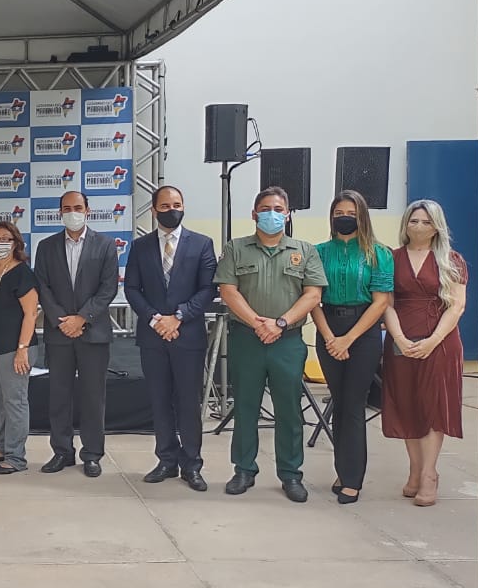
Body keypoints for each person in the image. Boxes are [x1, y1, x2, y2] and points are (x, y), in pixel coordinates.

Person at [214, 186, 327, 502]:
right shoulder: (236, 249)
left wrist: (279, 324)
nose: (272, 215)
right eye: (265, 209)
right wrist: (258, 323)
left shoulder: (305, 251)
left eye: (278, 209)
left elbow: (313, 295)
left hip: (287, 342)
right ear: (254, 214)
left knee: (289, 410)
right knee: (245, 406)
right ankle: (243, 470)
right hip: (246, 340)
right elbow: (228, 291)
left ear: (287, 214)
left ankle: (291, 474)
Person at [123, 185, 217, 491]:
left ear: (183, 207)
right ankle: (166, 459)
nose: (171, 210)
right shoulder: (140, 247)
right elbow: (132, 289)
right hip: (153, 337)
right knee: (159, 401)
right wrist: (155, 319)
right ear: (154, 210)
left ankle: (192, 464)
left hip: (187, 336)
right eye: (165, 206)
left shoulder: (202, 244)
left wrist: (178, 316)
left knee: (188, 402)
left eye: (176, 204)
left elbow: (208, 289)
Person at [381, 199, 468, 507]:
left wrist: (433, 340)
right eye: (414, 220)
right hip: (401, 339)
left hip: (440, 342)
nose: (418, 226)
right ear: (405, 224)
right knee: (407, 404)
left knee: (433, 406)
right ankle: (415, 469)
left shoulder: (451, 260)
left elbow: (457, 306)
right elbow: (386, 304)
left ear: (437, 227)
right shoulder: (391, 259)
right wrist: (400, 339)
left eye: (426, 222)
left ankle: (430, 474)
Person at [310, 190, 393, 504]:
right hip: (327, 328)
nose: (344, 218)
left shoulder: (378, 253)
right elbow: (312, 297)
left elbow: (381, 302)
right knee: (339, 402)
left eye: (350, 213)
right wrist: (330, 337)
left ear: (362, 217)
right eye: (338, 213)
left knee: (354, 405)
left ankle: (353, 479)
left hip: (364, 331)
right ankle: (342, 470)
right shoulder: (318, 252)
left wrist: (348, 339)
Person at [33, 189, 120, 478]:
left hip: (93, 332)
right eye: (67, 208)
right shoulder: (46, 247)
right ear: (60, 212)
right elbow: (42, 287)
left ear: (88, 211)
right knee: (59, 395)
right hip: (59, 334)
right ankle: (62, 451)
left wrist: (82, 318)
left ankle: (92, 454)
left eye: (78, 208)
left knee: (93, 397)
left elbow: (108, 287)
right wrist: (62, 321)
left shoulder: (106, 245)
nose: (73, 213)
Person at [0, 221, 39, 474]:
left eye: (6, 238)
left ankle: (16, 457)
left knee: (15, 402)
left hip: (14, 349)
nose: (0, 243)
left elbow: (31, 314)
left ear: (16, 243)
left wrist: (22, 349)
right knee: (1, 401)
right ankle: (3, 447)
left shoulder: (23, 273)